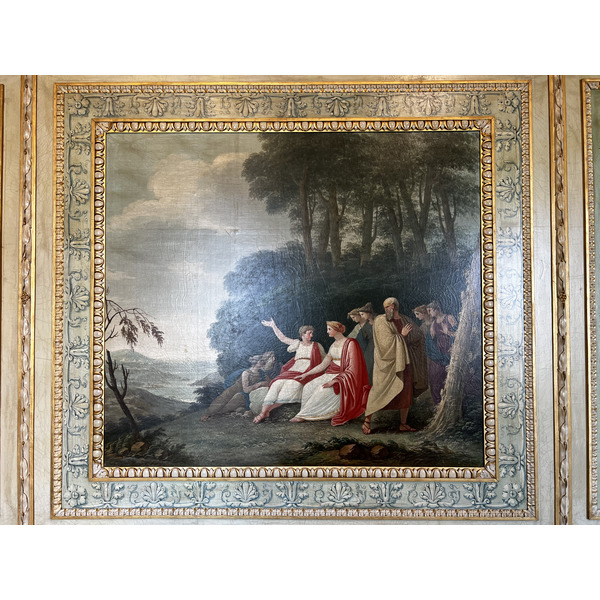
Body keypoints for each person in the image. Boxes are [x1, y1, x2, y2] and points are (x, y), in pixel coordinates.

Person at [362, 297, 427, 434]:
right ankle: (367, 422)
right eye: (385, 308)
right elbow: (385, 343)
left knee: (406, 391)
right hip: (387, 364)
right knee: (379, 390)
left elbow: (418, 335)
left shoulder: (406, 319)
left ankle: (403, 423)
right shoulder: (381, 320)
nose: (387, 310)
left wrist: (411, 336)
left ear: (394, 306)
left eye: (389, 307)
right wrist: (402, 335)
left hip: (403, 361)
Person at [290, 321, 370, 426]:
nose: (327, 332)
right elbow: (323, 364)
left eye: (329, 329)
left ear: (337, 330)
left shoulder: (351, 343)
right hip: (330, 373)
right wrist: (306, 374)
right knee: (308, 387)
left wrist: (335, 380)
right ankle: (304, 413)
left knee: (321, 389)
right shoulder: (333, 345)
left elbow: (354, 368)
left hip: (344, 377)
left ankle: (304, 415)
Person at [252, 319, 326, 423]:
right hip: (293, 369)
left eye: (312, 333)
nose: (312, 335)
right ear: (303, 334)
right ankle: (264, 411)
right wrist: (273, 326)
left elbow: (326, 359)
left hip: (307, 371)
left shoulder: (317, 346)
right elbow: (282, 338)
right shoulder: (297, 343)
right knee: (276, 384)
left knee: (291, 385)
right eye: (309, 333)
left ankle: (266, 411)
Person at [200, 354, 270, 421]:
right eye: (261, 361)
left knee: (230, 406)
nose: (263, 362)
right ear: (255, 362)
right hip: (236, 389)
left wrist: (263, 384)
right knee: (223, 398)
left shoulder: (262, 373)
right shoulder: (246, 373)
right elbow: (246, 389)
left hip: (246, 394)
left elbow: (268, 383)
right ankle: (208, 414)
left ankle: (216, 414)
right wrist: (259, 384)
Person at [426, 301, 458, 407]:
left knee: (448, 378)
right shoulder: (433, 323)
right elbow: (432, 338)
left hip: (450, 350)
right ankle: (438, 405)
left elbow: (460, 335)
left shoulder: (449, 318)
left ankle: (449, 404)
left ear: (436, 309)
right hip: (439, 353)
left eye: (430, 310)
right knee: (434, 377)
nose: (429, 313)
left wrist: (447, 332)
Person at [357, 302, 376, 385]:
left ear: (368, 313)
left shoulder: (379, 320)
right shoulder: (366, 325)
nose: (361, 317)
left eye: (362, 314)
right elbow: (360, 338)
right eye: (360, 315)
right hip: (371, 347)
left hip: (380, 346)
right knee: (368, 365)